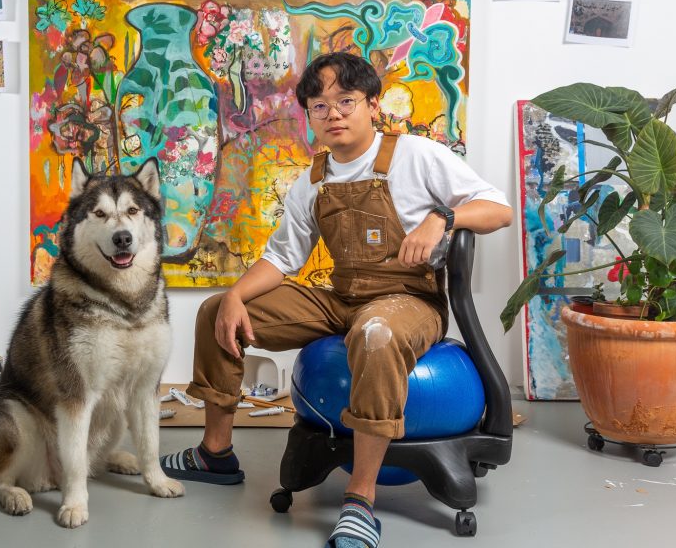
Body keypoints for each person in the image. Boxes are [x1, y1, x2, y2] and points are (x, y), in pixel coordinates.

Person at [160, 52, 512, 548]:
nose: (334, 115)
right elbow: (281, 258)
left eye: (346, 101)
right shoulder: (313, 178)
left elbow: (499, 210)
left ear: (371, 104)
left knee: (376, 333)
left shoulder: (415, 154)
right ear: (310, 115)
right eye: (319, 106)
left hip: (407, 300)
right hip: (342, 297)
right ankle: (215, 454)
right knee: (217, 309)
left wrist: (443, 218)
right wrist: (237, 293)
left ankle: (360, 502)